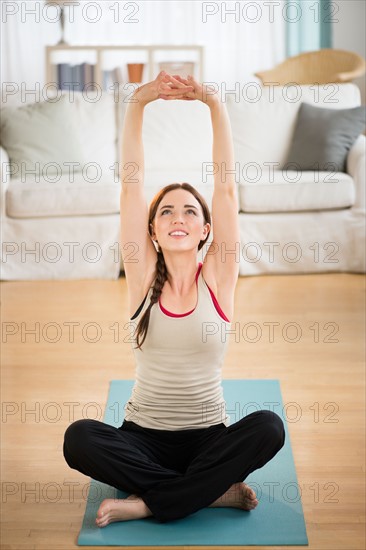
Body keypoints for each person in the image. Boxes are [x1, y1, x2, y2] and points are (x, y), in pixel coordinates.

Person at [63, 71, 285, 527]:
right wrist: (138, 103)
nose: (177, 216)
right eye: (166, 211)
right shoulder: (143, 278)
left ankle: (149, 501)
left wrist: (214, 104)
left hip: (209, 438)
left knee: (269, 427)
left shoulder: (220, 278)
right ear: (153, 231)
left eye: (189, 210)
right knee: (78, 438)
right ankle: (208, 492)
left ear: (206, 229)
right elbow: (130, 187)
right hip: (143, 438)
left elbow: (225, 189)